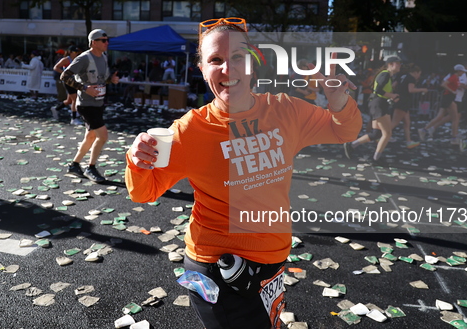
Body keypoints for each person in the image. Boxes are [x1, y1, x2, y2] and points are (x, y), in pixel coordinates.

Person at [125, 17, 362, 329]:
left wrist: (338, 100)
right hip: (215, 267)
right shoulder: (189, 131)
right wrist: (136, 160)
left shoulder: (285, 110)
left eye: (237, 57)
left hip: (273, 259)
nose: (228, 69)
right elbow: (144, 192)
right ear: (202, 69)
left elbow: (345, 130)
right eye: (215, 60)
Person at [60, 29, 119, 183]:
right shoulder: (84, 58)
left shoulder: (104, 57)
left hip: (98, 103)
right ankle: (90, 167)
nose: (107, 42)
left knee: (91, 136)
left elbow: (100, 80)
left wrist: (110, 80)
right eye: (103, 40)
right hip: (86, 105)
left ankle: (74, 165)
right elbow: (64, 76)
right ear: (94, 42)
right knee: (103, 135)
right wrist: (85, 89)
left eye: (107, 40)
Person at [343, 56, 401, 165]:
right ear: (390, 64)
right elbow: (378, 90)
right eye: (397, 63)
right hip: (379, 105)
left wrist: (391, 96)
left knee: (376, 133)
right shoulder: (385, 74)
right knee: (387, 133)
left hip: (378, 104)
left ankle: (352, 145)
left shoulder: (388, 76)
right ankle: (376, 159)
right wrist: (392, 95)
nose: (399, 66)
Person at [422, 64, 467, 144]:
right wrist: (454, 90)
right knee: (455, 118)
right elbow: (444, 84)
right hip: (451, 98)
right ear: (459, 71)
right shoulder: (454, 77)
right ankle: (453, 137)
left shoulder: (454, 76)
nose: (463, 72)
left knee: (442, 116)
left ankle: (425, 129)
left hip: (450, 97)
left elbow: (447, 83)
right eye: (462, 71)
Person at [390, 64, 428, 148]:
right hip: (403, 101)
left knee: (407, 123)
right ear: (416, 72)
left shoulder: (403, 76)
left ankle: (408, 141)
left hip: (400, 100)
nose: (419, 76)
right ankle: (381, 136)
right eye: (419, 74)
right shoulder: (411, 78)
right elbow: (411, 90)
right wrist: (423, 89)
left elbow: (393, 85)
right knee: (395, 122)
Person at [52, 46, 84, 125]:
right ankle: (74, 118)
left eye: (77, 52)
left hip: (75, 81)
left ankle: (56, 109)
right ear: (70, 52)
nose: (76, 54)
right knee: (75, 99)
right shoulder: (66, 59)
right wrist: (64, 73)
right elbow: (55, 67)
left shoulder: (76, 59)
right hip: (68, 81)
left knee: (69, 100)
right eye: (75, 52)